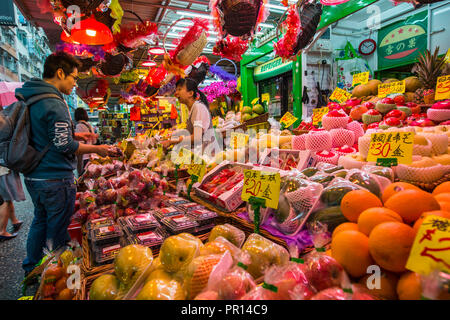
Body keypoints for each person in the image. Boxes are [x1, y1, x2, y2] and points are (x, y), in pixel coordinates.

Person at [16, 51, 118, 275]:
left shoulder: (33, 96)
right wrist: (98, 149)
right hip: (54, 177)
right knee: (57, 228)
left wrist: (76, 136)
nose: (75, 83)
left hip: (34, 175)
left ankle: (32, 268)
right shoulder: (54, 103)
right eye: (73, 77)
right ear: (60, 73)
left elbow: (50, 137)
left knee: (40, 221)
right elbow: (64, 146)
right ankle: (57, 274)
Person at [161, 65, 219, 157]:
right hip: (201, 155)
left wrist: (172, 141)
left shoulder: (198, 108)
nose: (176, 93)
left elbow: (196, 137)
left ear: (191, 93)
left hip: (208, 157)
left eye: (179, 89)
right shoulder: (193, 109)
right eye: (176, 90)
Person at [0, 166, 24, 240]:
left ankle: (15, 221)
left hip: (4, 171)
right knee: (4, 201)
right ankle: (2, 231)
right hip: (2, 171)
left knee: (7, 199)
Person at [74, 107, 97, 176]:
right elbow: (94, 141)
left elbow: (80, 145)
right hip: (91, 156)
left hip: (83, 158)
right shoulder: (89, 125)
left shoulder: (79, 126)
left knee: (83, 178)